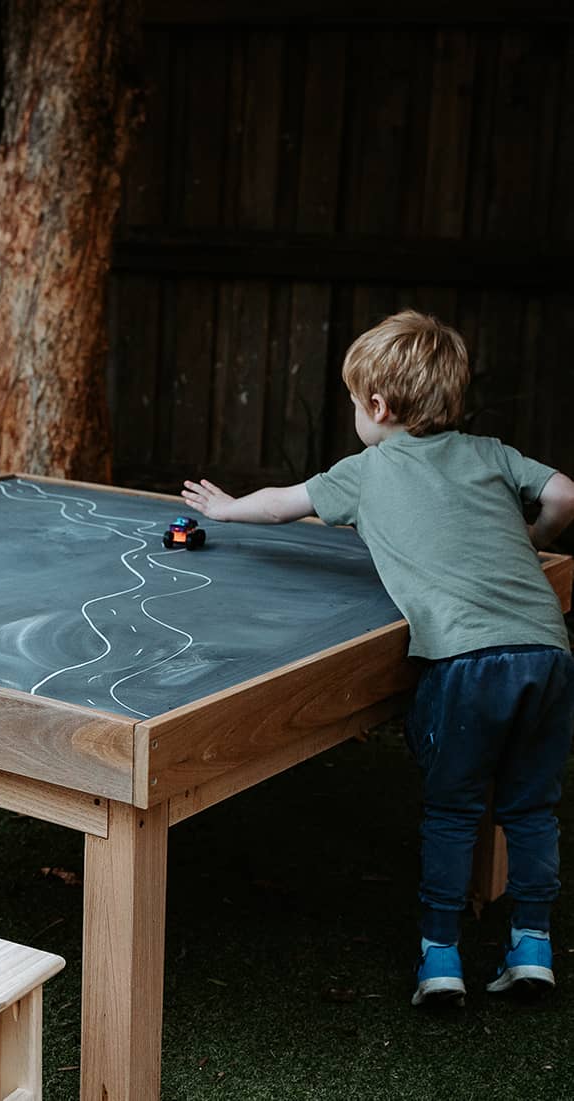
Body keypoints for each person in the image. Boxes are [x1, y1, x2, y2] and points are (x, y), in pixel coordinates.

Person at [181, 309, 574, 1006]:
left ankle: (441, 958)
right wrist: (533, 537)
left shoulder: (366, 468)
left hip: (463, 659)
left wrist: (225, 507)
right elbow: (562, 492)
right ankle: (532, 947)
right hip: (546, 650)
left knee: (453, 810)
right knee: (532, 806)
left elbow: (282, 504)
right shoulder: (490, 453)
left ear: (376, 405)